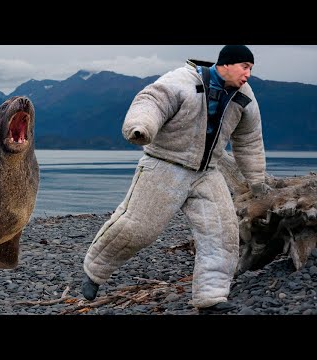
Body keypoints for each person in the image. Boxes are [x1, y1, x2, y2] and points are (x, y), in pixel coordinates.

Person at [81, 45, 272, 315]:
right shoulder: (181, 80)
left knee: (222, 234)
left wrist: (256, 180)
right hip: (165, 165)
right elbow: (152, 102)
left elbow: (250, 141)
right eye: (245, 67)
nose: (248, 74)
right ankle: (94, 271)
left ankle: (211, 297)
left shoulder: (244, 97)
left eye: (251, 68)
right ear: (226, 64)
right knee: (137, 228)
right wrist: (141, 127)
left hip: (207, 172)